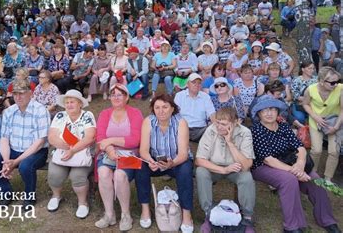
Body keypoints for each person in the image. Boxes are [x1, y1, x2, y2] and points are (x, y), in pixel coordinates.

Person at [250, 95, 341, 233]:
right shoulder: (256, 130)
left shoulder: (283, 126)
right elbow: (268, 159)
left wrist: (300, 163)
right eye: (264, 110)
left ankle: (327, 220)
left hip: (290, 162)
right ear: (259, 113)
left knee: (316, 180)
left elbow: (300, 147)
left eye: (272, 109)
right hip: (264, 166)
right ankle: (293, 226)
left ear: (277, 112)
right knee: (289, 180)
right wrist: (296, 172)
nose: (269, 113)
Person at [0, 79, 50, 209]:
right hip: (13, 149)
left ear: (30, 93)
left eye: (22, 93)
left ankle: (30, 197)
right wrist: (7, 161)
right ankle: (5, 194)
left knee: (25, 166)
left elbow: (39, 143)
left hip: (36, 151)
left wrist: (15, 162)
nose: (18, 97)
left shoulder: (40, 111)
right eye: (15, 94)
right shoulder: (9, 111)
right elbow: (4, 139)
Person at [135, 94, 194, 232]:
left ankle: (186, 214)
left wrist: (171, 164)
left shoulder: (181, 122)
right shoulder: (148, 122)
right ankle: (145, 209)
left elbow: (183, 154)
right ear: (153, 109)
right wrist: (150, 161)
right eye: (157, 107)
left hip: (177, 160)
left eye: (165, 107)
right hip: (155, 160)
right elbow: (143, 149)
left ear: (172, 108)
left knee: (185, 171)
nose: (161, 111)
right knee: (140, 167)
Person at [196, 107, 255, 231]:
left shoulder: (244, 132)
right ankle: (209, 213)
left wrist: (230, 142)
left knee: (247, 177)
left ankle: (247, 217)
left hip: (236, 168)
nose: (219, 126)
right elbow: (199, 160)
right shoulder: (211, 130)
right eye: (217, 122)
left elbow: (246, 165)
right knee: (201, 172)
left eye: (224, 124)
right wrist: (223, 170)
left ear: (235, 123)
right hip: (215, 168)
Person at [95, 83, 143, 230]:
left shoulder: (135, 113)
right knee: (103, 172)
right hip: (108, 154)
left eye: (119, 94)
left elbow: (135, 139)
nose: (116, 97)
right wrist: (109, 149)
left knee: (120, 175)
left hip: (130, 155)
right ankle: (109, 214)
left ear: (126, 97)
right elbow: (100, 138)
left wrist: (111, 140)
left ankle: (125, 214)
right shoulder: (105, 114)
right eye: (113, 94)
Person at [46, 90, 96, 219]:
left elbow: (90, 137)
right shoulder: (60, 116)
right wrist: (67, 147)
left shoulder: (87, 115)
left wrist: (73, 150)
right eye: (66, 102)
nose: (69, 105)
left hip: (82, 153)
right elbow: (52, 137)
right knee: (54, 174)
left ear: (80, 104)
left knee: (78, 176)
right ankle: (56, 196)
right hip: (63, 151)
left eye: (72, 102)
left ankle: (82, 203)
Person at [303, 67, 343, 183]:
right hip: (316, 121)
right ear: (321, 81)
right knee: (316, 150)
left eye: (337, 81)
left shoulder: (340, 89)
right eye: (332, 82)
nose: (335, 84)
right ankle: (312, 173)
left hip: (334, 123)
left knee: (334, 151)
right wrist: (315, 117)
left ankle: (328, 178)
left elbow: (342, 109)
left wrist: (336, 127)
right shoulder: (310, 90)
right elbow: (305, 104)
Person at [174, 73, 216, 142]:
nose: (197, 85)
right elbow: (175, 114)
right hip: (183, 128)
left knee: (212, 130)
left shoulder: (206, 97)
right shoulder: (179, 96)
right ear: (187, 84)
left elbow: (212, 114)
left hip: (200, 129)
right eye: (193, 82)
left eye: (199, 83)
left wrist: (216, 126)